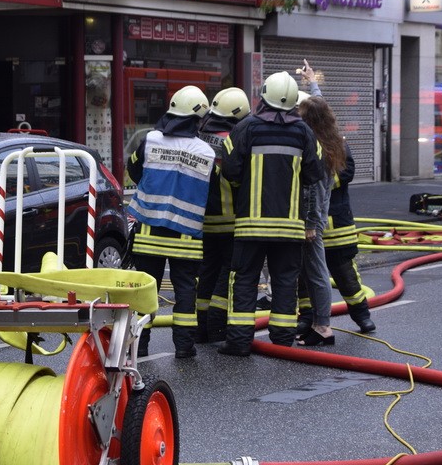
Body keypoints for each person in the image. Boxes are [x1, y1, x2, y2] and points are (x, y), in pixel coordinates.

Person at [219, 71, 324, 356]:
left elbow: (229, 169)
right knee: (285, 282)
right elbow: (315, 172)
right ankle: (282, 342)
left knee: (244, 280)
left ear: (263, 95)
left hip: (250, 226)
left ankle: (239, 342)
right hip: (289, 227)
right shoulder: (304, 131)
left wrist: (244, 187)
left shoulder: (246, 127)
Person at [127, 85, 215, 359]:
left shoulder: (151, 140)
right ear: (198, 118)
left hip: (149, 230)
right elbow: (209, 191)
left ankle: (139, 346)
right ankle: (184, 347)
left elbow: (133, 169)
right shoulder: (206, 152)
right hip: (186, 236)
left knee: (145, 291)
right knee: (185, 290)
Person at [298, 62, 376, 335]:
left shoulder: (335, 144)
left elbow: (348, 172)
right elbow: (319, 108)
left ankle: (362, 315)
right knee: (305, 277)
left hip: (333, 223)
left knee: (345, 274)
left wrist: (323, 179)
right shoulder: (311, 141)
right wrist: (312, 83)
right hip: (317, 221)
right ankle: (306, 317)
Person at [194, 87, 250, 344]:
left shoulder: (199, 138)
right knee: (227, 273)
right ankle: (217, 324)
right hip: (230, 220)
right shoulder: (234, 139)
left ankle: (202, 326)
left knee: (207, 271)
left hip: (203, 220)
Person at [294, 91, 341, 346]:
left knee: (316, 272)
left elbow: (311, 187)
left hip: (311, 220)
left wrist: (310, 223)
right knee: (311, 271)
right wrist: (313, 83)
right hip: (316, 215)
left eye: (301, 115)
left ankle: (323, 327)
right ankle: (317, 323)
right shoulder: (327, 140)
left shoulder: (315, 147)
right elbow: (321, 104)